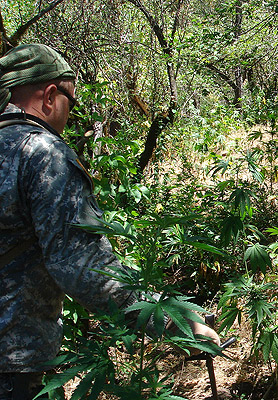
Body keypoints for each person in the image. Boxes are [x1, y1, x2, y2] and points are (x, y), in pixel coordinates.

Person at [0, 44, 219, 400]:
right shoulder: (41, 154)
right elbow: (82, 267)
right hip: (12, 361)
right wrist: (170, 317)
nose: (70, 114)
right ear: (50, 96)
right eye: (71, 100)